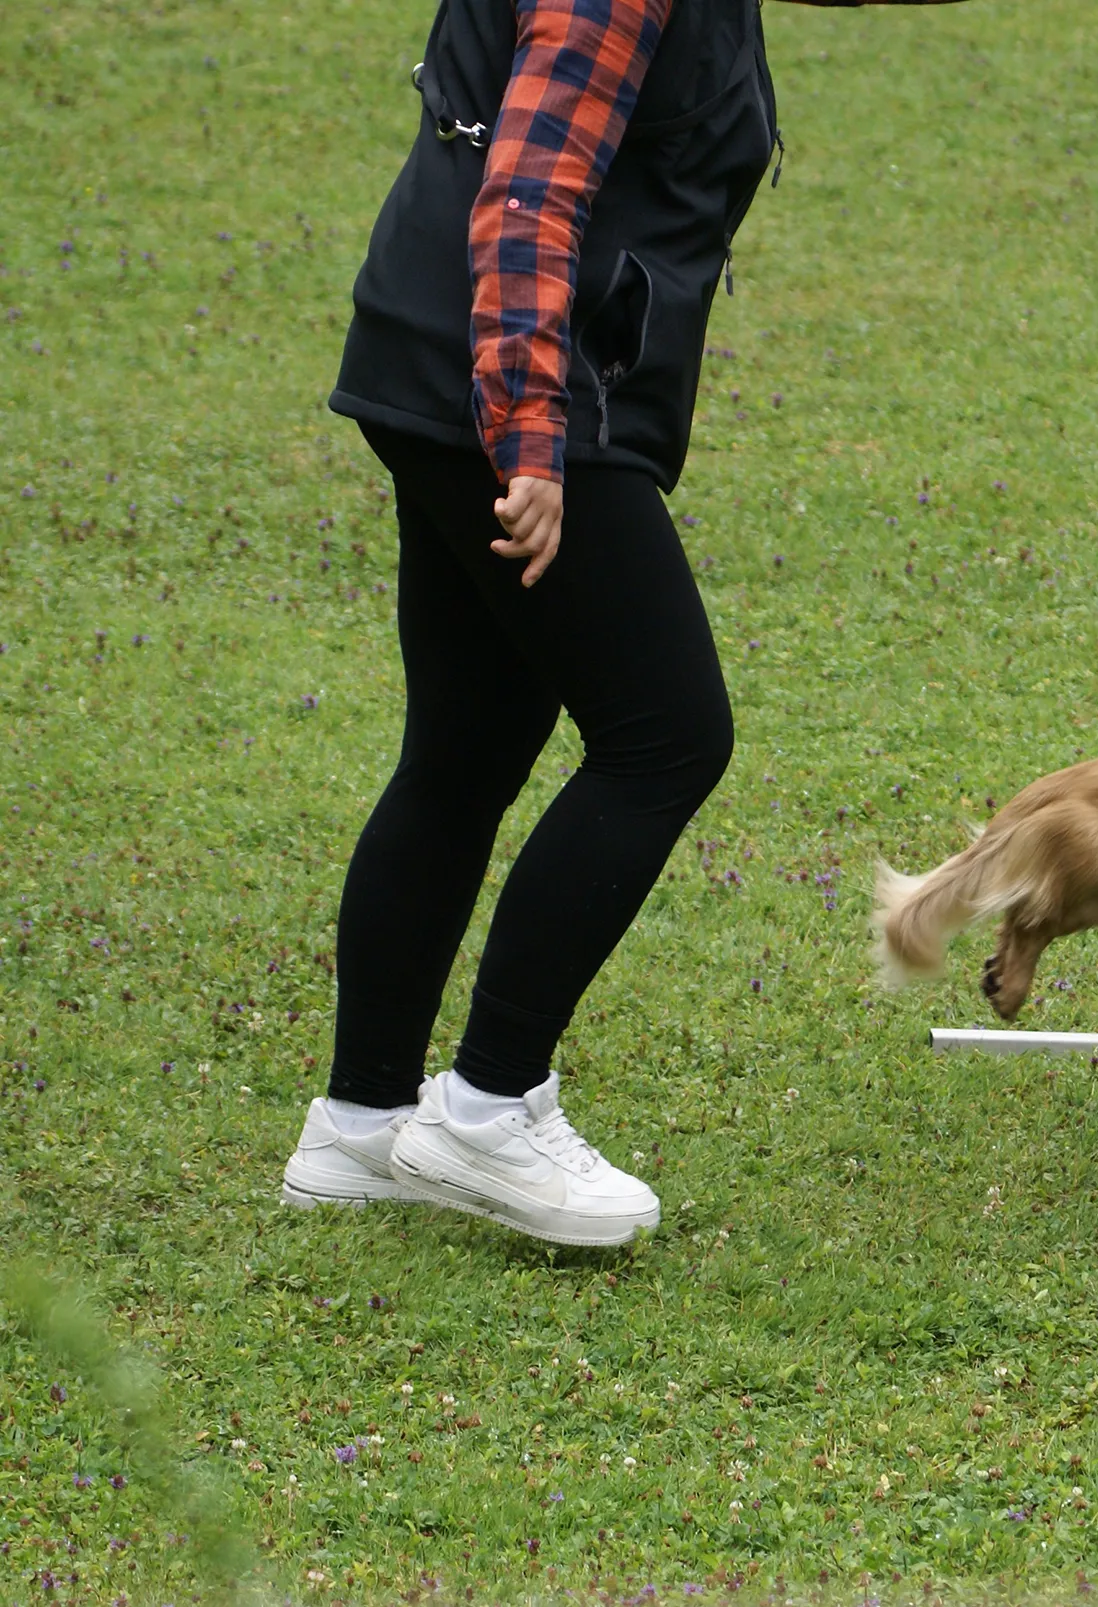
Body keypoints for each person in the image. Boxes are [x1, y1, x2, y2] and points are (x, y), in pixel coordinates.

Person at [282, 0, 949, 1245]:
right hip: (514, 386)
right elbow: (530, 188)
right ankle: (487, 1107)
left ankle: (361, 1125)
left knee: (465, 752)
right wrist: (530, 433)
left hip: (433, 360)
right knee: (667, 737)